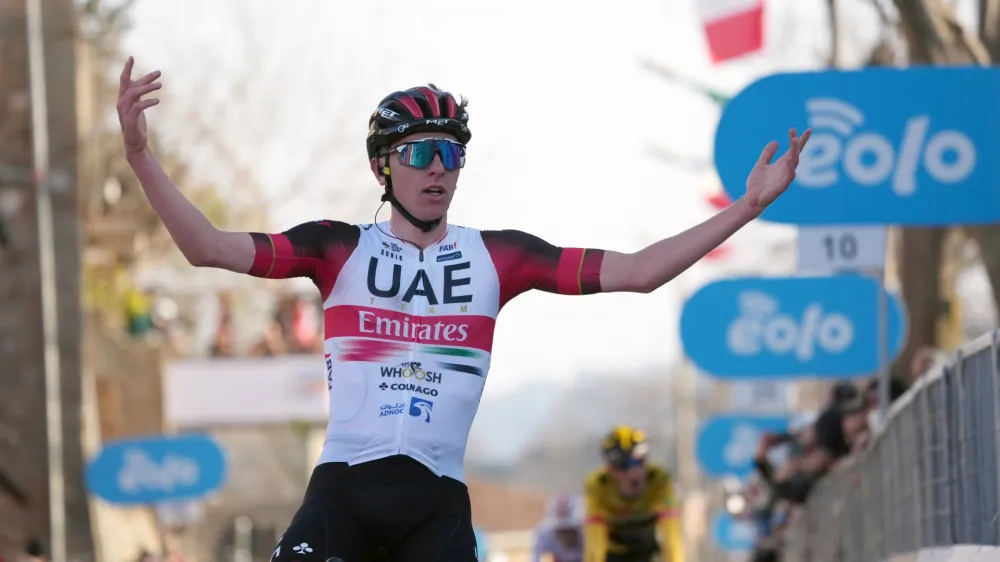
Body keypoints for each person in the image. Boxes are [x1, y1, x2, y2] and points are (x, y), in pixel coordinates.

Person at [116, 54, 810, 561]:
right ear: (382, 167)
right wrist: (141, 155)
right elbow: (206, 247)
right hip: (342, 494)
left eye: (450, 153)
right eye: (419, 152)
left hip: (436, 505)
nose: (437, 168)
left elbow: (639, 272)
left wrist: (747, 208)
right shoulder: (334, 248)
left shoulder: (499, 257)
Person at [582, 425, 684, 562]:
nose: (633, 472)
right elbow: (594, 542)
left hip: (647, 549)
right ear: (610, 470)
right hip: (614, 553)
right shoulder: (598, 486)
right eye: (623, 466)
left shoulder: (659, 481)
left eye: (639, 462)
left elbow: (671, 535)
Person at [532, 494, 585, 562]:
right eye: (561, 531)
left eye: (569, 531)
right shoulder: (545, 535)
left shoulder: (589, 536)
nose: (566, 536)